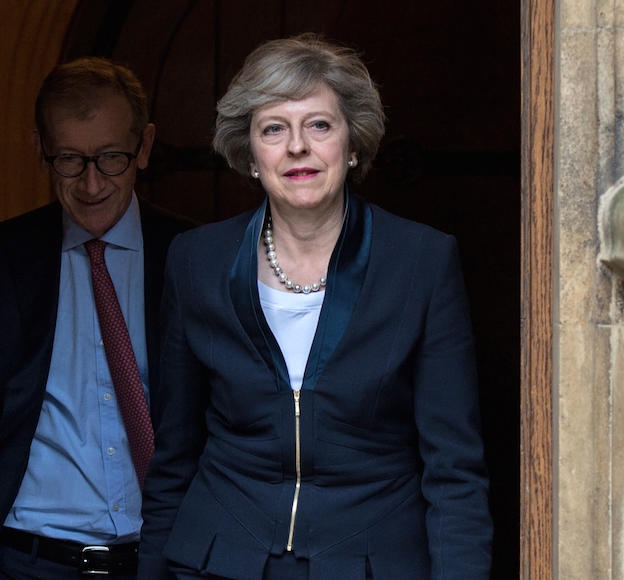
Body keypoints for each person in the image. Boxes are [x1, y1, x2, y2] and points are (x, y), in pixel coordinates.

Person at [138, 34, 493, 580]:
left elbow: (455, 471)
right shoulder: (196, 260)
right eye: (273, 129)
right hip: (217, 559)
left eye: (319, 125)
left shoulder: (422, 260)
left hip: (373, 561)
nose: (297, 147)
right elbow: (174, 456)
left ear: (352, 144)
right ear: (251, 153)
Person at [0, 56, 193, 580]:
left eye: (111, 158)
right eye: (70, 160)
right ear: (41, 152)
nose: (92, 184)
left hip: (166, 561)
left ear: (144, 147)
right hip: (24, 563)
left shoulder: (196, 256)